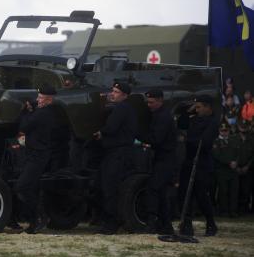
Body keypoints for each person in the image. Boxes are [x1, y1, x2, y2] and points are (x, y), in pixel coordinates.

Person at [93, 82, 137, 234]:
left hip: (118, 152)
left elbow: (111, 128)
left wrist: (100, 133)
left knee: (110, 188)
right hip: (116, 152)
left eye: (116, 92)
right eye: (113, 91)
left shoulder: (122, 108)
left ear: (125, 95)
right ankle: (109, 220)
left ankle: (112, 223)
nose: (113, 94)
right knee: (106, 186)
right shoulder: (124, 108)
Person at [15, 84, 57, 234]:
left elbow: (24, 126)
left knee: (23, 187)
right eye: (38, 96)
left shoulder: (43, 113)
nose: (38, 99)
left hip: (38, 156)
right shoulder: (45, 111)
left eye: (41, 97)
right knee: (30, 187)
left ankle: (40, 217)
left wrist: (25, 112)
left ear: (49, 99)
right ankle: (34, 222)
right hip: (34, 154)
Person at [179, 95, 219, 236]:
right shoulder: (194, 119)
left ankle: (211, 223)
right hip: (189, 160)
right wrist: (187, 111)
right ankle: (187, 225)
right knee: (185, 193)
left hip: (202, 162)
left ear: (208, 107)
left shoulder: (213, 122)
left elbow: (205, 142)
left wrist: (187, 139)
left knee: (201, 195)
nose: (196, 110)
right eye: (195, 107)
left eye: (199, 107)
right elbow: (181, 124)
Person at [140, 89, 177, 235]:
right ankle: (166, 225)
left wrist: (139, 135)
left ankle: (152, 222)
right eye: (148, 102)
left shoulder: (163, 117)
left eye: (152, 102)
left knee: (153, 188)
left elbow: (157, 139)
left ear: (160, 100)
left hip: (166, 159)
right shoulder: (158, 115)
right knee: (160, 192)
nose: (149, 105)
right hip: (161, 158)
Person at [213, 123, 239, 217]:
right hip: (222, 170)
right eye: (222, 131)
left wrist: (236, 162)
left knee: (234, 191)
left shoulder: (233, 140)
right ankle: (223, 211)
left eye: (226, 130)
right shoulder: (216, 142)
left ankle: (233, 211)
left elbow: (238, 153)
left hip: (233, 170)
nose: (224, 133)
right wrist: (229, 162)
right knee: (223, 192)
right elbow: (217, 155)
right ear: (219, 131)